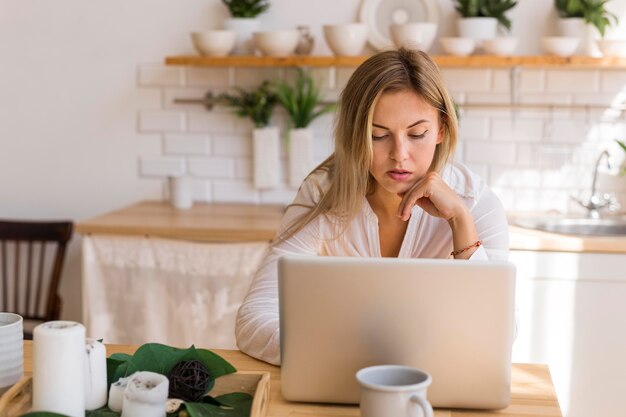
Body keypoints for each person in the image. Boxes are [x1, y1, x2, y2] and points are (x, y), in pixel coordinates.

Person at [235, 48, 509, 365]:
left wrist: (461, 221)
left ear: (441, 130)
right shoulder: (323, 196)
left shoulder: (476, 202)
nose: (400, 154)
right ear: (356, 136)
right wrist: (347, 358)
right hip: (340, 383)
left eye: (417, 133)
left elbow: (500, 334)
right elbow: (254, 318)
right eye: (378, 136)